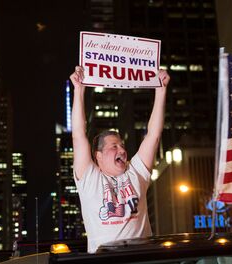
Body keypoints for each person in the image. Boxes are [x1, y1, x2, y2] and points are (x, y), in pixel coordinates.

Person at [69, 66, 170, 253]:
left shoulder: (136, 172)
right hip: (106, 261)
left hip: (144, 258)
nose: (122, 150)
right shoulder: (90, 179)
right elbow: (78, 136)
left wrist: (161, 90)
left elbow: (154, 135)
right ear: (98, 156)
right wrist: (79, 90)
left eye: (122, 146)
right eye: (114, 146)